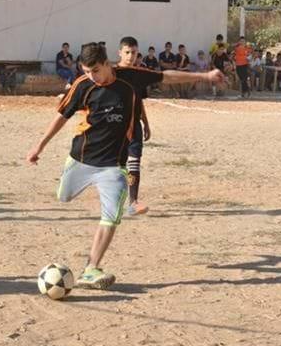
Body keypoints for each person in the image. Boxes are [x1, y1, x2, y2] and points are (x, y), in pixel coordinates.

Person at [26, 42, 224, 289]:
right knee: (64, 197)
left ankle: (91, 269)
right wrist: (39, 147)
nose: (91, 76)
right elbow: (61, 116)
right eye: (86, 71)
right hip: (81, 159)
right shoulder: (82, 85)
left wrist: (204, 75)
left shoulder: (131, 77)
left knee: (110, 218)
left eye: (95, 70)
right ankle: (75, 188)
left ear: (108, 64)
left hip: (113, 166)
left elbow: (166, 76)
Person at [116, 36, 151, 216]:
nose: (130, 56)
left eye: (134, 52)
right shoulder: (113, 74)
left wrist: (145, 122)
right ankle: (114, 199)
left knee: (134, 163)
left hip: (134, 125)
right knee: (117, 166)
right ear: (120, 53)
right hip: (116, 126)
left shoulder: (139, 75)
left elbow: (140, 101)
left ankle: (133, 202)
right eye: (127, 52)